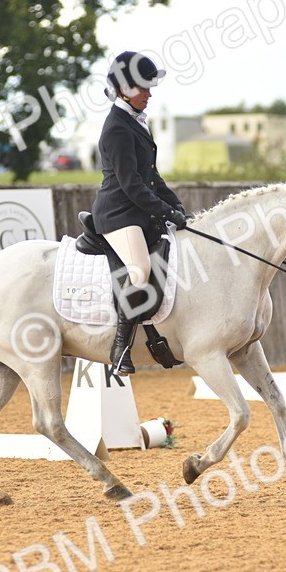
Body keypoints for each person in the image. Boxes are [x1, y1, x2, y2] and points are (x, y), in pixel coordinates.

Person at [92, 51, 189, 375]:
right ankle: (120, 348)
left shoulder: (134, 122)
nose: (149, 93)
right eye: (143, 88)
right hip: (119, 214)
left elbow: (151, 175)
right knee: (140, 271)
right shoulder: (117, 128)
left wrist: (174, 204)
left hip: (139, 210)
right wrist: (163, 210)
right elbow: (132, 185)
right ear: (123, 89)